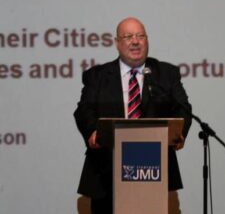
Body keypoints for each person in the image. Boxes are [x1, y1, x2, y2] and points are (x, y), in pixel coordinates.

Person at [74, 17, 192, 214]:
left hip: (154, 169)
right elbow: (84, 109)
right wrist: (92, 131)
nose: (135, 41)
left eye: (140, 36)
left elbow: (183, 109)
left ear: (147, 40)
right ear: (117, 43)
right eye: (128, 36)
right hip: (106, 172)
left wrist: (179, 134)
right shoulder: (98, 75)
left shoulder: (165, 73)